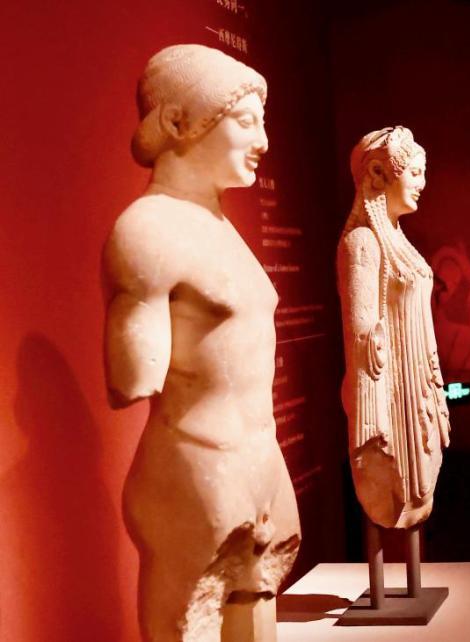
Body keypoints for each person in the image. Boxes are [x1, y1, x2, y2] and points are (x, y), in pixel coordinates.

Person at [102, 44, 299, 641]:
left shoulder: (217, 227)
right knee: (192, 622)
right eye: (245, 121)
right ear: (178, 121)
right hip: (195, 463)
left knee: (256, 616)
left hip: (257, 457)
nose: (262, 140)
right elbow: (133, 378)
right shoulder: (148, 229)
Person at [336, 126, 451, 531]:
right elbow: (363, 342)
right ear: (378, 174)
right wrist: (374, 426)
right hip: (391, 400)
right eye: (415, 173)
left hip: (418, 389)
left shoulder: (400, 242)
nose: (423, 183)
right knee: (398, 496)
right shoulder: (362, 243)